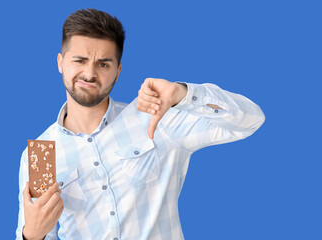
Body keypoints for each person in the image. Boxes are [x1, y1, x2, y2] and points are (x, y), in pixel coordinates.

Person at [16, 8, 265, 240]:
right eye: (80, 60)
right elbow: (37, 231)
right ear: (60, 62)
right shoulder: (41, 154)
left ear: (118, 71)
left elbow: (250, 121)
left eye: (103, 64)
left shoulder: (155, 118)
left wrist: (183, 94)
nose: (90, 73)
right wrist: (31, 236)